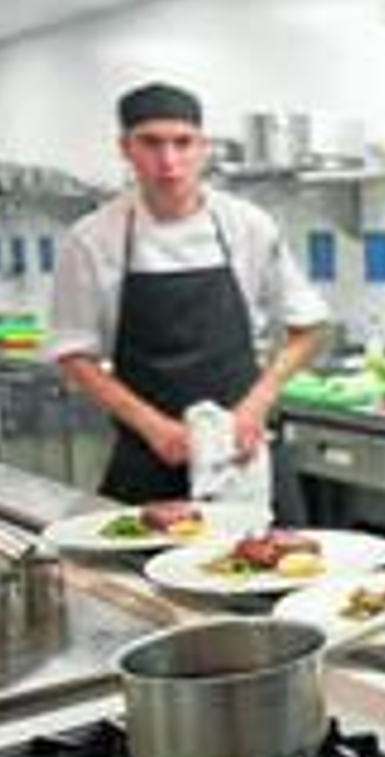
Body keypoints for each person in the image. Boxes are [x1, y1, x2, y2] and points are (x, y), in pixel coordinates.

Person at [46, 82, 330, 505]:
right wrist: (153, 427)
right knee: (131, 571)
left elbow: (309, 327)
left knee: (270, 561)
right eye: (151, 143)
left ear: (203, 147)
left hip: (241, 451)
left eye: (183, 142)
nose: (169, 160)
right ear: (125, 148)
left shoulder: (246, 225)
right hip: (147, 455)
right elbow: (73, 353)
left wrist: (256, 405)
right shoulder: (91, 239)